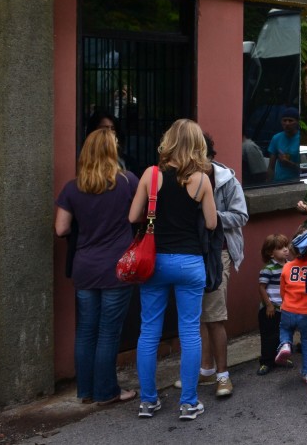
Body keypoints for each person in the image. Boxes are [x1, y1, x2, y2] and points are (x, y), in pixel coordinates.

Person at [129, 119, 217, 421]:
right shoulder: (202, 180)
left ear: (168, 141)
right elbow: (211, 223)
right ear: (197, 146)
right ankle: (189, 403)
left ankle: (148, 401)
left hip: (155, 262)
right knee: (190, 330)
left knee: (149, 329)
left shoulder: (151, 175)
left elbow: (133, 215)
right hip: (190, 262)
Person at [54, 129, 139, 406]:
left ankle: (86, 391)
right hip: (117, 267)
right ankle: (107, 391)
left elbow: (61, 228)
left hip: (85, 267)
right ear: (112, 152)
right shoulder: (127, 183)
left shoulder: (72, 188)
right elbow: (140, 216)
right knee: (108, 332)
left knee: (86, 330)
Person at [193, 134, 248, 398]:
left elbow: (241, 215)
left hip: (220, 252)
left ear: (209, 156)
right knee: (200, 316)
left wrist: (211, 216)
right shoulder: (185, 178)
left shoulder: (227, 180)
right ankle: (205, 370)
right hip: (193, 253)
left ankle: (223, 375)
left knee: (214, 315)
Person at [278, 238, 307, 384]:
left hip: (289, 309)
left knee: (285, 328)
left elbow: (283, 290)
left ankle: (286, 343)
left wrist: (285, 302)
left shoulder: (287, 267)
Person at [256, 234, 291, 376]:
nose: (285, 250)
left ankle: (280, 358)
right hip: (270, 309)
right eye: (280, 248)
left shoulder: (290, 266)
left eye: (286, 246)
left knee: (282, 335)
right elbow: (261, 287)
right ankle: (266, 362)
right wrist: (269, 305)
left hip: (285, 308)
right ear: (271, 253)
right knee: (268, 336)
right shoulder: (268, 269)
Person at [267, 107, 301, 182]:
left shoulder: (301, 139)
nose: (287, 123)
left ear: (297, 122)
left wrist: (290, 164)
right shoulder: (276, 138)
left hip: (296, 182)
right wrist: (268, 184)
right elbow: (271, 167)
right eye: (284, 120)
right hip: (279, 182)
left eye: (290, 120)